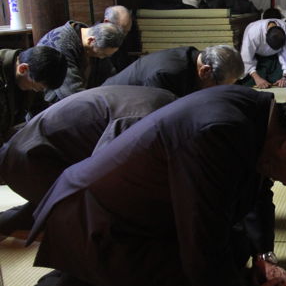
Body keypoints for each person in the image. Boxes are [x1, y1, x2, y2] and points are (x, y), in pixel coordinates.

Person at [24, 86, 286, 286]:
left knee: (236, 253)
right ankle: (87, 284)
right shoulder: (218, 132)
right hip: (95, 222)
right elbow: (202, 239)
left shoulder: (260, 116)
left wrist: (263, 257)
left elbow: (258, 192)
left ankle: (103, 274)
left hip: (141, 214)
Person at [0, 85, 177, 236]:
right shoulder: (140, 121)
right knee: (88, 221)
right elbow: (101, 177)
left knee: (46, 213)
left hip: (41, 150)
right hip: (31, 158)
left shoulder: (169, 105)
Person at [36, 21, 125, 105]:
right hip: (54, 104)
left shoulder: (94, 40)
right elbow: (71, 92)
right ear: (91, 41)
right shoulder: (61, 44)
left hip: (80, 98)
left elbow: (110, 76)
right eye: (103, 54)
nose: (103, 57)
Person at [104, 45, 243, 97]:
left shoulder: (193, 59)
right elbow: (157, 121)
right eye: (219, 85)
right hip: (109, 106)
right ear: (205, 71)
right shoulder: (168, 74)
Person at [0, 46, 67, 141]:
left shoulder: (33, 69)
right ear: (22, 69)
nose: (36, 91)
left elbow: (39, 109)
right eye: (37, 87)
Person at [239, 18, 286, 89]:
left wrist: (285, 77)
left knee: (283, 83)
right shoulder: (253, 32)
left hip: (276, 58)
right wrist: (257, 78)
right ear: (265, 35)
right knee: (248, 84)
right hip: (257, 59)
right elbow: (246, 59)